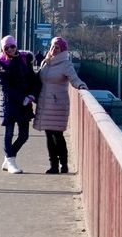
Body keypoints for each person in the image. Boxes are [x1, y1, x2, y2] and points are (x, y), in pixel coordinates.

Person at [34, 36, 87, 174]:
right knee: (48, 135)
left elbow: (74, 79)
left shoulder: (66, 64)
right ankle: (53, 165)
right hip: (45, 103)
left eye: (57, 48)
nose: (53, 50)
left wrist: (81, 85)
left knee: (57, 135)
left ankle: (64, 164)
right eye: (52, 47)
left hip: (58, 104)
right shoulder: (46, 62)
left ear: (62, 49)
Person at [0, 35, 40, 175]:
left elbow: (33, 79)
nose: (10, 49)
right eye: (6, 48)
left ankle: (8, 158)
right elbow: (5, 87)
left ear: (16, 46)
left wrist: (31, 95)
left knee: (24, 135)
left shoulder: (25, 59)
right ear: (3, 49)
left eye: (12, 46)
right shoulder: (1, 64)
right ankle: (11, 161)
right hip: (9, 104)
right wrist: (22, 98)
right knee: (8, 133)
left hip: (25, 103)